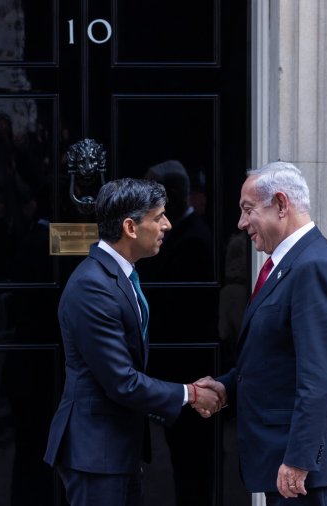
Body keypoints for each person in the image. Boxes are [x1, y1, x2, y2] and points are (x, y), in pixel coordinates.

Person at [43, 177, 222, 506]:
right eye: (158, 218)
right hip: (96, 453)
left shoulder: (120, 275)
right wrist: (191, 393)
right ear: (130, 227)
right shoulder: (92, 286)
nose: (167, 225)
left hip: (116, 450)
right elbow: (121, 381)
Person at [196, 161, 327, 505]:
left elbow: (320, 377)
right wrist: (228, 387)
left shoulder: (314, 267)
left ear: (281, 204)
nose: (241, 223)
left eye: (248, 210)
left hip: (307, 472)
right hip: (290, 462)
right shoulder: (290, 265)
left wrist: (299, 460)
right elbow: (279, 356)